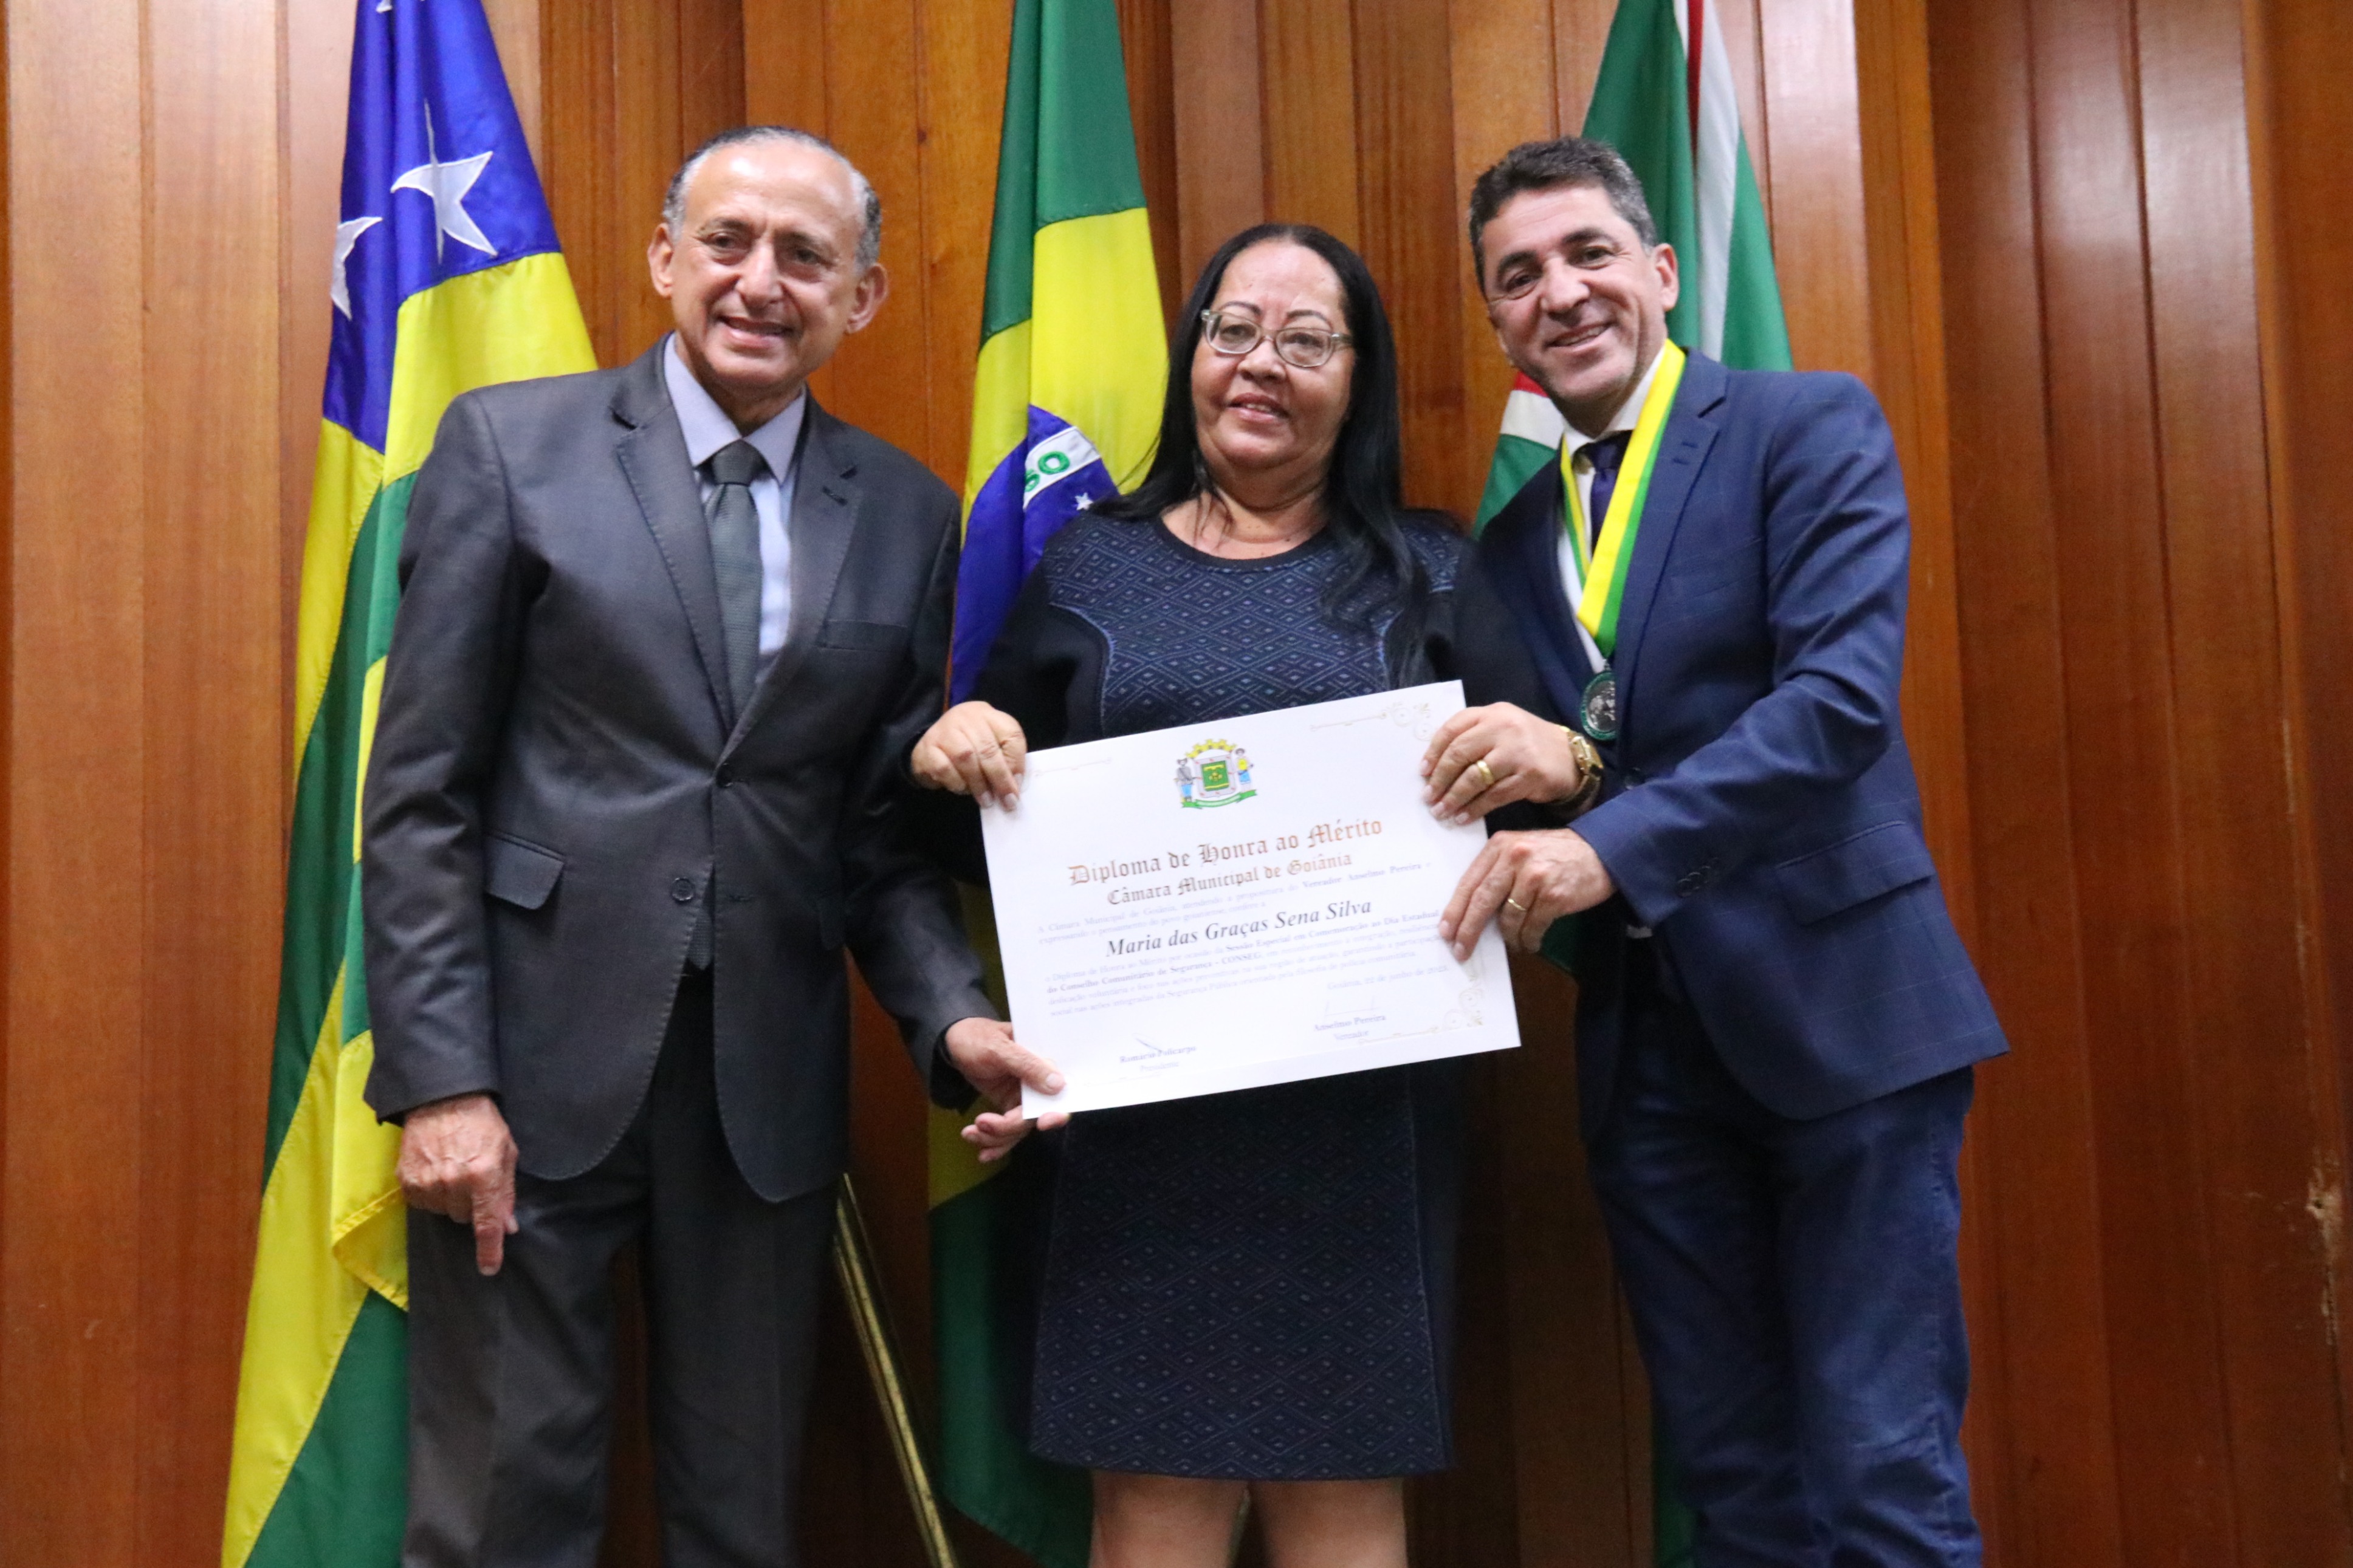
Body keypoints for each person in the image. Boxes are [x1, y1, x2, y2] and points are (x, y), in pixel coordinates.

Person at [360, 125, 1054, 1567]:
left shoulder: (909, 514)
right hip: (524, 1071)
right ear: (665, 257)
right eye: (727, 243)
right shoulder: (510, 448)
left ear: (860, 296)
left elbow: (875, 840)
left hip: (763, 1088)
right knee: (501, 1513)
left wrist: (953, 1020)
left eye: (805, 255)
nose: (760, 282)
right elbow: (422, 793)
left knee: (741, 1522)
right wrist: (443, 1081)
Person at [911, 224, 1592, 1568]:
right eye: (1233, 330)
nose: (1261, 364)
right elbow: (974, 831)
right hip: (1139, 1132)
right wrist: (951, 747)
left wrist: (1562, 757)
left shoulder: (1435, 570)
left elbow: (1537, 818)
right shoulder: (1088, 566)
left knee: (1342, 1504)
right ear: (1193, 355)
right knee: (1150, 1507)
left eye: (1306, 339)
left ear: (1360, 376)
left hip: (1361, 1128)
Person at [1432, 136, 2007, 1565]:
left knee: (1879, 1470)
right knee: (1735, 1489)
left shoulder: (1803, 426)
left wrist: (1606, 841)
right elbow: (1531, 770)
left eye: (1588, 253)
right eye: (1519, 276)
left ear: (1662, 270)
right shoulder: (1504, 549)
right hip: (1649, 1059)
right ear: (1497, 323)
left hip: (1843, 1016)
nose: (1561, 293)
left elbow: (1836, 704)